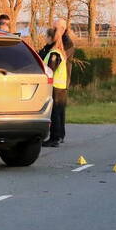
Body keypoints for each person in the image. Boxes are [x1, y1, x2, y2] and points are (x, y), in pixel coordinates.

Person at [39, 18, 74, 147]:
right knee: (58, 110)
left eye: (55, 28)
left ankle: (56, 137)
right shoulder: (55, 47)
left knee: (56, 110)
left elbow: (52, 67)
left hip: (58, 83)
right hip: (58, 82)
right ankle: (58, 135)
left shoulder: (64, 45)